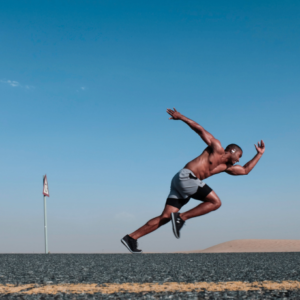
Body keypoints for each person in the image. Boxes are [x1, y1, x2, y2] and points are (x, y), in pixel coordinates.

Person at [121, 108, 265, 253]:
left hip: (182, 183)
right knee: (216, 202)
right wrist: (181, 117)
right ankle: (181, 218)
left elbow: (245, 170)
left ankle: (131, 238)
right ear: (233, 151)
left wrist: (259, 154)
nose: (239, 160)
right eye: (239, 156)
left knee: (165, 217)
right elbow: (200, 129)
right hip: (186, 177)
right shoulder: (216, 147)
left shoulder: (226, 167)